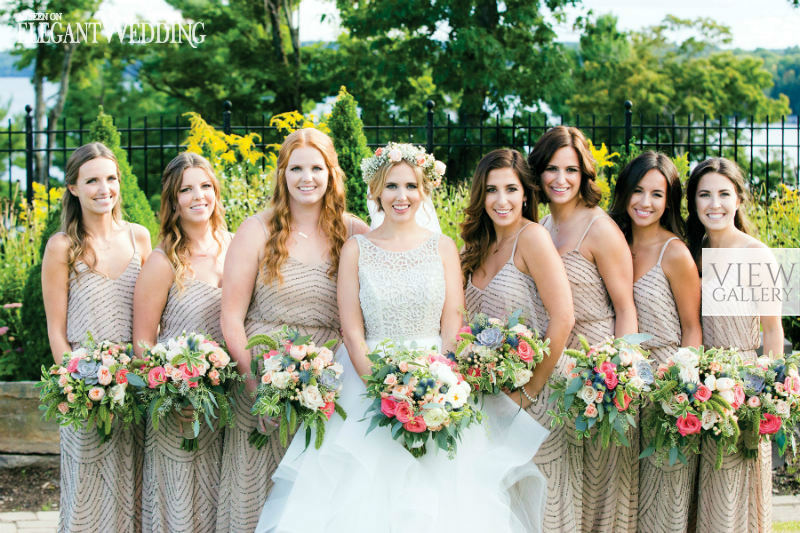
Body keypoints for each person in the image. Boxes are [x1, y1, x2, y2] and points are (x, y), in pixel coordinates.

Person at [255, 142, 550, 532]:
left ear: (423, 190)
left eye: (411, 186)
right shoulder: (356, 249)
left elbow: (453, 320)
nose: (401, 196)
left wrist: (438, 382)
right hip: (367, 382)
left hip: (438, 382)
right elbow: (352, 328)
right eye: (391, 186)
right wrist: (381, 387)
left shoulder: (442, 247)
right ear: (377, 190)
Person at [217, 128, 368, 532]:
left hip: (333, 384)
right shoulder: (257, 230)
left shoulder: (355, 232)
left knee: (323, 497)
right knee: (259, 489)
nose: (307, 178)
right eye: (296, 168)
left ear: (331, 172)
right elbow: (231, 316)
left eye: (316, 167)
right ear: (282, 173)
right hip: (264, 376)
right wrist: (256, 389)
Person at [528, 126, 638, 533]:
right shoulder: (541, 225)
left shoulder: (600, 228)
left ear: (584, 175)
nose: (561, 179)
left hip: (595, 372)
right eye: (552, 169)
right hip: (552, 366)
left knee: (595, 484)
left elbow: (625, 309)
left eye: (571, 169)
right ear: (538, 173)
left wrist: (618, 377)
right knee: (555, 484)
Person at [461, 148, 577, 531]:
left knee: (540, 503)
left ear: (525, 193)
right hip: (492, 396)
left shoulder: (533, 238)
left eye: (511, 189)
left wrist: (527, 393)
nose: (501, 200)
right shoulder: (474, 247)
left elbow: (563, 317)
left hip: (537, 394)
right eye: (491, 190)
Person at [41, 142, 152, 533]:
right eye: (92, 181)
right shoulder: (62, 247)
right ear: (73, 187)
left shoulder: (139, 238)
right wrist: (74, 384)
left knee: (136, 484)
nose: (103, 188)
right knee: (88, 489)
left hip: (136, 383)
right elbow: (56, 329)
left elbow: (150, 316)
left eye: (110, 178)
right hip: (86, 387)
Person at [133, 152, 230, 532]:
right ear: (173, 201)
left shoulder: (237, 246)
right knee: (180, 501)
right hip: (180, 406)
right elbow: (142, 339)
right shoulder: (163, 261)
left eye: (205, 186)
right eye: (186, 190)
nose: (198, 196)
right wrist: (172, 391)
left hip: (229, 403)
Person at [686, 157, 783, 533]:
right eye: (705, 194)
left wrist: (769, 397)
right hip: (694, 384)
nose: (715, 204)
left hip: (742, 389)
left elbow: (773, 332)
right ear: (694, 202)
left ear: (739, 198)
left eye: (724, 194)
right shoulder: (691, 252)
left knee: (732, 494)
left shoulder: (757, 254)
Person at [608, 151, 702, 533]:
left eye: (657, 194)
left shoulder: (674, 252)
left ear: (669, 201)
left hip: (663, 382)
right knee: (621, 496)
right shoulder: (612, 240)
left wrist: (680, 385)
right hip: (617, 383)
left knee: (664, 496)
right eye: (638, 191)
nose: (645, 202)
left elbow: (692, 327)